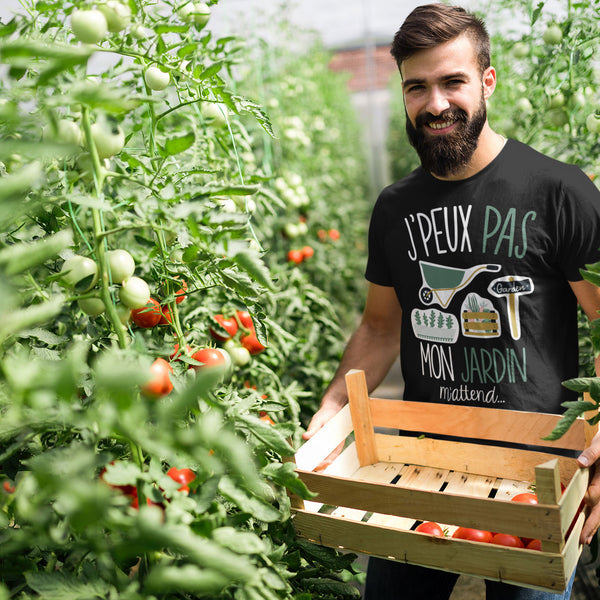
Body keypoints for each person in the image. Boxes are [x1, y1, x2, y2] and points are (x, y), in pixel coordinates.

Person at [302, 4, 600, 599]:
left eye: (452, 81)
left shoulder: (559, 191)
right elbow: (381, 328)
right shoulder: (394, 207)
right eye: (418, 86)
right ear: (403, 93)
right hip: (418, 466)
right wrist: (332, 406)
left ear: (487, 81)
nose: (435, 103)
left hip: (535, 474)